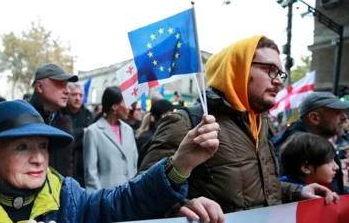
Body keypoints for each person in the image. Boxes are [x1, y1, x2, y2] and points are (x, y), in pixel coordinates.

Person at [139, 35, 339, 214]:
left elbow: (255, 189)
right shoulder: (188, 123)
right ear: (238, 69)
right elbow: (143, 193)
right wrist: (181, 207)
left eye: (280, 73)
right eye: (270, 70)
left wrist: (298, 192)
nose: (279, 81)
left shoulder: (260, 124)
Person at [0, 100, 225, 223]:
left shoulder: (68, 196)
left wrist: (179, 166)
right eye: (21, 147)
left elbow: (122, 202)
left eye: (43, 146)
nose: (38, 158)